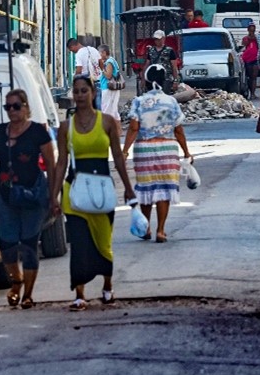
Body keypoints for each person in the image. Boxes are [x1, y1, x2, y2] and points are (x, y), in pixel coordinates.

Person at [50, 76, 135, 310]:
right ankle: (79, 293)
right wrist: (54, 196)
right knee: (79, 242)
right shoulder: (66, 128)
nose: (79, 95)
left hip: (102, 190)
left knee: (103, 240)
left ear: (93, 93)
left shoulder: (107, 122)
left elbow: (117, 157)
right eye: (76, 91)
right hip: (75, 190)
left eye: (84, 90)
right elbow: (61, 164)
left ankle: (107, 286)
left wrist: (128, 187)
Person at [0, 89, 55, 308]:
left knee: (28, 245)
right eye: (7, 107)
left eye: (16, 106)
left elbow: (51, 164)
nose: (11, 111)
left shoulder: (37, 132)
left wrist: (53, 196)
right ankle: (16, 283)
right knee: (7, 245)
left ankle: (28, 294)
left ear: (26, 107)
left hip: (33, 195)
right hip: (6, 195)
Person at [123, 66, 193, 243]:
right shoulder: (171, 102)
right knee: (164, 190)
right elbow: (178, 130)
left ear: (146, 81)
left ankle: (146, 228)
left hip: (144, 151)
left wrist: (124, 150)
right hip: (168, 150)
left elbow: (133, 127)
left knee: (147, 189)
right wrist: (186, 152)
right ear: (163, 81)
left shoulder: (139, 102)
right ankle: (161, 230)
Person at [143, 29, 178, 93]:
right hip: (153, 79)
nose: (157, 41)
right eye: (155, 39)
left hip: (166, 79)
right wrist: (144, 79)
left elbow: (174, 67)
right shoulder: (151, 51)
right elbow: (147, 64)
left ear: (163, 38)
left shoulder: (170, 51)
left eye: (159, 39)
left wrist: (175, 80)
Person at [98, 44, 124, 121]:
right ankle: (116, 129)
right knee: (113, 110)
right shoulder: (112, 60)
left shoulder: (109, 62)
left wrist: (102, 67)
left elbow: (108, 76)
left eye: (99, 53)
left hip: (108, 88)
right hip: (110, 88)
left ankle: (107, 128)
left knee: (106, 109)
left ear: (104, 53)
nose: (98, 55)